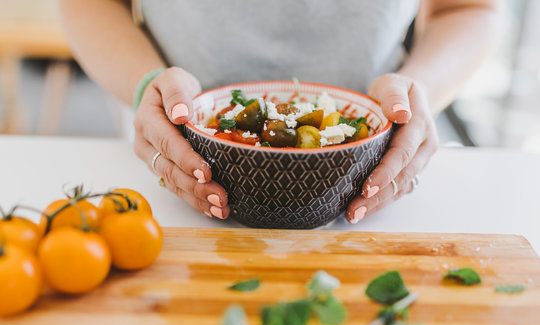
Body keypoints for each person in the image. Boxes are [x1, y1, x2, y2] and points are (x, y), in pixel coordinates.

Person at [59, 0, 501, 224]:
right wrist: (144, 86)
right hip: (173, 171)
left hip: (376, 184)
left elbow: (466, 7)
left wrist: (418, 91)